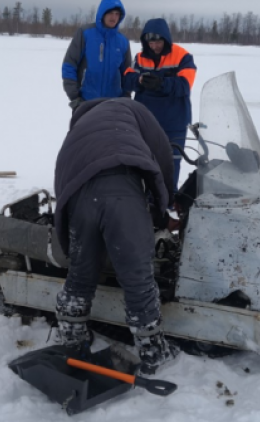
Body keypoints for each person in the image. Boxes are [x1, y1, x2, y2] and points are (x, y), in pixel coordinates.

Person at [53, 97, 178, 375]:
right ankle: (152, 350)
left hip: (80, 195)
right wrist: (164, 205)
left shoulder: (77, 131)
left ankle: (72, 337)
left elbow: (61, 184)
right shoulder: (134, 108)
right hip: (122, 190)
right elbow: (163, 154)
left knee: (81, 271)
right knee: (137, 276)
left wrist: (68, 232)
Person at [123, 18, 197, 190]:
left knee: (170, 166)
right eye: (150, 42)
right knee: (145, 163)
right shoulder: (140, 58)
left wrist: (161, 84)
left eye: (158, 42)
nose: (154, 46)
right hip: (146, 122)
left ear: (165, 39)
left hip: (174, 123)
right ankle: (146, 202)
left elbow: (185, 86)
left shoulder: (183, 57)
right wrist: (139, 80)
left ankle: (169, 202)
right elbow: (127, 79)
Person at [61, 0, 132, 109]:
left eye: (117, 14)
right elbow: (69, 65)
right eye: (110, 13)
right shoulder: (85, 34)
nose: (113, 17)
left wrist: (125, 97)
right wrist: (74, 96)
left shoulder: (122, 41)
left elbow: (128, 73)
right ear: (102, 14)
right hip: (85, 102)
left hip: (114, 105)